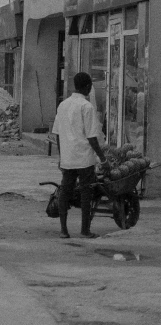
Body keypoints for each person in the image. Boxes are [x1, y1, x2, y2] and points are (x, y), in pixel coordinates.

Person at [52, 72, 110, 239]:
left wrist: (61, 155)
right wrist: (103, 159)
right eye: (90, 85)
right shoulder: (87, 107)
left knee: (65, 192)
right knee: (86, 193)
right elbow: (92, 137)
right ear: (87, 87)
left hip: (68, 157)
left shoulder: (63, 105)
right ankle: (85, 230)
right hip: (84, 158)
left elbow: (57, 133)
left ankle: (63, 230)